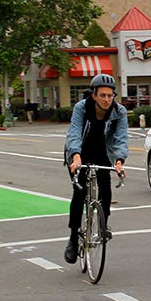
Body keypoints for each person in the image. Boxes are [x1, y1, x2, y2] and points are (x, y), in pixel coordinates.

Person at [64, 74, 128, 264]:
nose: (107, 99)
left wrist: (119, 161)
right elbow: (74, 133)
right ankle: (73, 239)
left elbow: (121, 139)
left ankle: (103, 225)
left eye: (110, 95)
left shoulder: (119, 111)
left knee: (105, 189)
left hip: (103, 153)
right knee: (79, 192)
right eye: (103, 95)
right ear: (94, 95)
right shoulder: (81, 108)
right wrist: (75, 156)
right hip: (80, 153)